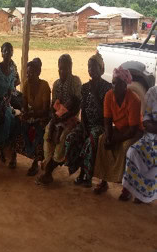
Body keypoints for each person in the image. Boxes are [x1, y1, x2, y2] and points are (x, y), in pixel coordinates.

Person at [93, 67, 143, 196]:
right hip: (120, 129)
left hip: (136, 131)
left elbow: (132, 130)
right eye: (113, 83)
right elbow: (107, 120)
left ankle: (127, 188)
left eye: (118, 83)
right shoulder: (109, 95)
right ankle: (103, 181)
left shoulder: (134, 100)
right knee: (102, 140)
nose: (114, 86)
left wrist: (114, 140)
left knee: (125, 147)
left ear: (125, 85)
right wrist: (109, 137)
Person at [64, 53, 112, 187]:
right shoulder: (85, 87)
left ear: (101, 69)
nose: (91, 69)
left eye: (94, 67)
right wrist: (84, 127)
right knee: (71, 138)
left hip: (101, 125)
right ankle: (80, 171)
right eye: (89, 67)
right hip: (87, 124)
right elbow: (83, 109)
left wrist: (95, 93)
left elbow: (106, 114)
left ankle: (87, 176)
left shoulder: (107, 88)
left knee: (90, 142)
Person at [36, 54, 82, 185]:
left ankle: (48, 171)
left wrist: (61, 117)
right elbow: (53, 105)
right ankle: (48, 166)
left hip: (71, 118)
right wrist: (54, 119)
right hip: (57, 117)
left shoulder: (75, 82)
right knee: (48, 133)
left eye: (65, 68)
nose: (62, 71)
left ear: (70, 68)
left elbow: (76, 106)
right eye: (60, 68)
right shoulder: (56, 84)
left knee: (62, 138)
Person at [11, 59, 51, 176]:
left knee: (39, 130)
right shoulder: (26, 85)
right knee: (16, 124)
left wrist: (31, 115)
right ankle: (13, 156)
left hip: (42, 116)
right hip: (31, 114)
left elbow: (45, 110)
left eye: (31, 73)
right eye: (27, 73)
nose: (28, 75)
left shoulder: (44, 86)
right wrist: (25, 113)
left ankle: (35, 162)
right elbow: (24, 104)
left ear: (38, 73)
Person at [122, 86, 157, 203]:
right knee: (133, 152)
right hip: (151, 137)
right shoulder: (153, 92)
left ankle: (149, 193)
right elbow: (146, 120)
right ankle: (139, 192)